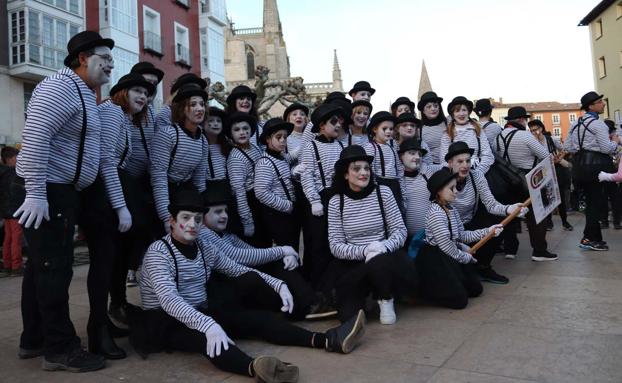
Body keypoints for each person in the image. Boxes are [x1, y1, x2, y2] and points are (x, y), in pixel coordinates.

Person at [133, 188, 366, 382]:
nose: (192, 224)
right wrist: (208, 325)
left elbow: (238, 268)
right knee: (211, 340)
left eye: (196, 219)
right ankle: (258, 369)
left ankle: (327, 339)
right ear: (172, 221)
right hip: (165, 321)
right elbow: (169, 300)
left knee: (256, 319)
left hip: (200, 310)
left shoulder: (204, 247)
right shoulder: (158, 253)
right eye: (185, 218)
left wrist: (277, 284)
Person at [13, 30, 114, 372]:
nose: (111, 66)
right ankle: (60, 348)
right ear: (83, 58)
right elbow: (37, 138)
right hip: (50, 191)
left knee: (41, 269)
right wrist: (37, 193)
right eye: (105, 58)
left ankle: (34, 339)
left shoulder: (83, 92)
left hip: (62, 192)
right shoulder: (59, 87)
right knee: (53, 270)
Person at [81, 73, 154, 359]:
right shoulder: (111, 112)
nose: (143, 97)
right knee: (102, 265)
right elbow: (106, 161)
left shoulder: (123, 117)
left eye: (146, 93)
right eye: (136, 90)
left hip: (108, 196)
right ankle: (96, 332)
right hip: (101, 199)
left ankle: (103, 324)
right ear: (121, 92)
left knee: (110, 263)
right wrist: (121, 205)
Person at [199, 181, 337, 320]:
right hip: (232, 286)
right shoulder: (204, 234)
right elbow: (238, 256)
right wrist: (282, 251)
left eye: (225, 211)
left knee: (280, 263)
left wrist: (282, 254)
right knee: (274, 266)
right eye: (218, 212)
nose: (224, 216)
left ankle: (310, 301)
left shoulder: (227, 235)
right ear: (203, 216)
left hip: (247, 278)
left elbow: (253, 253)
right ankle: (308, 305)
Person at [326, 145, 415, 325]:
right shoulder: (336, 202)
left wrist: (382, 248)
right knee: (348, 317)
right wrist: (366, 251)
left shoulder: (384, 193)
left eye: (366, 168)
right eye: (356, 168)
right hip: (354, 264)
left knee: (380, 262)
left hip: (384, 259)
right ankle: (366, 295)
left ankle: (385, 298)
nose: (363, 173)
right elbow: (335, 245)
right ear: (345, 174)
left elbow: (400, 230)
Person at [416, 168, 503, 309]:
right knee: (459, 301)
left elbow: (462, 236)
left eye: (456, 187)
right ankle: (429, 293)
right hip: (436, 258)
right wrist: (464, 257)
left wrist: (488, 231)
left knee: (476, 290)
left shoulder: (451, 209)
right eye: (451, 188)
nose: (456, 191)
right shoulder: (435, 213)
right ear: (439, 192)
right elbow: (445, 245)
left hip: (450, 254)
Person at [444, 141, 528, 284]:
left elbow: (491, 204)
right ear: (450, 163)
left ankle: (483, 266)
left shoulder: (476, 176)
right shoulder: (442, 178)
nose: (465, 165)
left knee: (499, 221)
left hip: (470, 222)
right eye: (460, 161)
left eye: (468, 160)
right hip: (448, 229)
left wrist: (510, 209)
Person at [497, 106, 556, 261]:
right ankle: (539, 251)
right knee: (536, 216)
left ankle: (510, 250)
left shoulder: (498, 136)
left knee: (510, 215)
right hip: (526, 180)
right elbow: (545, 156)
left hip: (506, 180)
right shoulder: (525, 136)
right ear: (522, 120)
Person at [125, 61, 164, 287]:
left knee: (152, 227)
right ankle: (131, 269)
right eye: (145, 82)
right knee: (135, 228)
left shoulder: (153, 114)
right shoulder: (123, 113)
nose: (149, 87)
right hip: (128, 180)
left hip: (150, 179)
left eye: (153, 84)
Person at [150, 83, 208, 237]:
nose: (200, 109)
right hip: (161, 194)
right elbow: (158, 177)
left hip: (184, 192)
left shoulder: (202, 139)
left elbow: (199, 180)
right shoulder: (167, 134)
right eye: (193, 104)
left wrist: (200, 208)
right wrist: (165, 216)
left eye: (202, 104)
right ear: (182, 108)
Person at [563, 92, 618, 251]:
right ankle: (588, 238)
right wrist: (615, 142)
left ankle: (594, 238)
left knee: (592, 203)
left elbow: (568, 147)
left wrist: (583, 148)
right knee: (596, 204)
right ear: (591, 106)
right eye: (600, 102)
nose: (603, 104)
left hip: (580, 167)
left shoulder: (575, 124)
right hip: (596, 166)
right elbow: (607, 148)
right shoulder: (599, 124)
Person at [299, 104, 346, 289]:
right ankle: (318, 288)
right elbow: (306, 174)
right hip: (320, 199)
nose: (337, 126)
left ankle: (336, 284)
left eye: (339, 122)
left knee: (337, 242)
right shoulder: (311, 146)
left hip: (338, 198)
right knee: (318, 244)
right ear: (321, 126)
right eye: (333, 122)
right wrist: (314, 200)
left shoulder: (341, 145)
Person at [225, 112, 269, 248]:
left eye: (245, 129)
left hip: (261, 198)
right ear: (231, 134)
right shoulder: (236, 157)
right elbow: (239, 191)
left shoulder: (255, 147)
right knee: (257, 243)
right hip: (250, 203)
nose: (242, 132)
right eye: (237, 130)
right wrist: (247, 221)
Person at [527, 119, 573, 231]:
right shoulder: (531, 141)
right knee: (545, 197)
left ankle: (565, 221)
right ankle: (549, 222)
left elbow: (564, 149)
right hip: (541, 172)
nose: (534, 132)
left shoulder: (551, 139)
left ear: (541, 129)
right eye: (531, 131)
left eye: (535, 130)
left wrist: (559, 158)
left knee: (560, 195)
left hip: (554, 170)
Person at [399, 138, 442, 239]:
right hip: (406, 241)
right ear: (401, 156)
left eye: (419, 154)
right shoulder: (396, 180)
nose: (417, 157)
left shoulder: (428, 172)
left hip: (433, 237)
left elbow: (450, 165)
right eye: (412, 153)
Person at [440, 97, 494, 174]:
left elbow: (488, 155)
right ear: (453, 114)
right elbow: (444, 160)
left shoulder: (478, 129)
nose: (461, 114)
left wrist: (477, 173)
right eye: (457, 111)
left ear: (468, 112)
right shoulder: (447, 134)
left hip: (478, 172)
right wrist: (458, 174)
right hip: (456, 176)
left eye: (464, 110)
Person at [363, 112, 404, 207]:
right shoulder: (370, 147)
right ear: (374, 129)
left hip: (395, 185)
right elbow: (370, 170)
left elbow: (399, 171)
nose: (389, 131)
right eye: (384, 129)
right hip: (379, 186)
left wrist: (403, 195)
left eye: (391, 129)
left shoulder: (393, 149)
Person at [1, 146, 22, 276]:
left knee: (8, 238)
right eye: (17, 157)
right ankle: (16, 265)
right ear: (10, 159)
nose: (19, 160)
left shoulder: (3, 172)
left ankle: (7, 263)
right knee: (16, 238)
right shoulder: (12, 173)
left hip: (5, 210)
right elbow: (16, 193)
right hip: (14, 209)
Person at [418, 91, 447, 164]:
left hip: (450, 165)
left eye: (436, 105)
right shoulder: (419, 129)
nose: (433, 109)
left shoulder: (448, 123)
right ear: (423, 111)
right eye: (429, 107)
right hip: (430, 167)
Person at [204, 107, 228, 182]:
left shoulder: (227, 146)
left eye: (219, 121)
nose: (216, 123)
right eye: (211, 120)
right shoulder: (200, 147)